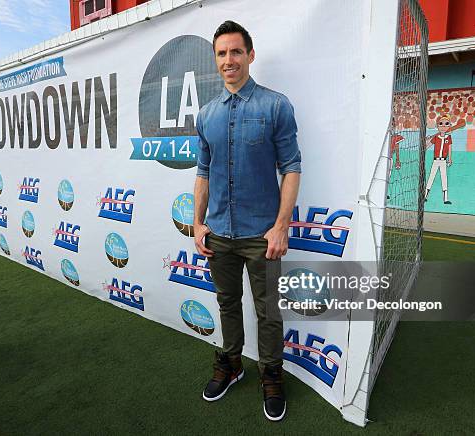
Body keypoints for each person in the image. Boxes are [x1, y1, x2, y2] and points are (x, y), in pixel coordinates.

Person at [193, 20, 301, 422]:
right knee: (227, 303)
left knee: (270, 310)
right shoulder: (206, 115)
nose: (228, 60)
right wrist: (197, 223)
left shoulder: (275, 105)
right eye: (221, 53)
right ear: (216, 60)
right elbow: (203, 171)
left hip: (262, 235)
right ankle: (232, 363)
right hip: (218, 233)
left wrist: (281, 225)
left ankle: (271, 374)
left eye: (236, 51)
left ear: (250, 55)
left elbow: (291, 167)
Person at [425, 115, 453, 204]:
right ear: (438, 126)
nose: (443, 126)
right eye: (441, 124)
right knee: (431, 177)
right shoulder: (436, 138)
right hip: (436, 160)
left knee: (444, 178)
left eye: (446, 124)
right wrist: (426, 140)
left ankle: (445, 199)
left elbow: (449, 148)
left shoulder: (448, 138)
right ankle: (425, 196)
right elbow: (427, 146)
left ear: (449, 126)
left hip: (443, 161)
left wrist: (450, 158)